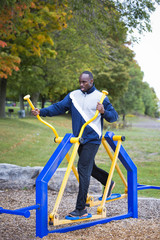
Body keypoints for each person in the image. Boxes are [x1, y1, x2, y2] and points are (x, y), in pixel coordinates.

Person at [32, 71, 118, 219]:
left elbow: (113, 116)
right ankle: (108, 182)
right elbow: (58, 107)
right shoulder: (73, 96)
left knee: (83, 168)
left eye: (84, 82)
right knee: (91, 168)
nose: (81, 85)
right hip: (80, 139)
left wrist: (103, 111)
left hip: (92, 139)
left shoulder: (100, 97)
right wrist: (42, 111)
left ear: (91, 81)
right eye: (80, 82)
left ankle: (81, 209)